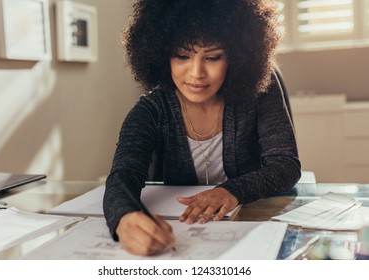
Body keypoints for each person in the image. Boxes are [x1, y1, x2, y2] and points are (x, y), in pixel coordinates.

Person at [103, 0, 301, 256]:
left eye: (212, 57)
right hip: (186, 238)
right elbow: (123, 175)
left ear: (236, 56)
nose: (196, 73)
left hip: (253, 228)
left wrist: (231, 191)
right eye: (182, 56)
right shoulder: (151, 110)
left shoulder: (260, 90)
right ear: (163, 56)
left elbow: (285, 164)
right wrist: (124, 219)